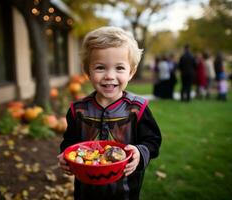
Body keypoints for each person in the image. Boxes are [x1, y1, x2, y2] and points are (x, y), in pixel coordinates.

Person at [57, 26, 162, 200]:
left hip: (125, 191)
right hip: (86, 190)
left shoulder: (138, 108)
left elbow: (153, 141)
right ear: (87, 71)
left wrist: (139, 152)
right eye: (100, 68)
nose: (109, 76)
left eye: (119, 68)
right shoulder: (78, 110)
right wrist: (65, 154)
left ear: (131, 72)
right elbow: (70, 140)